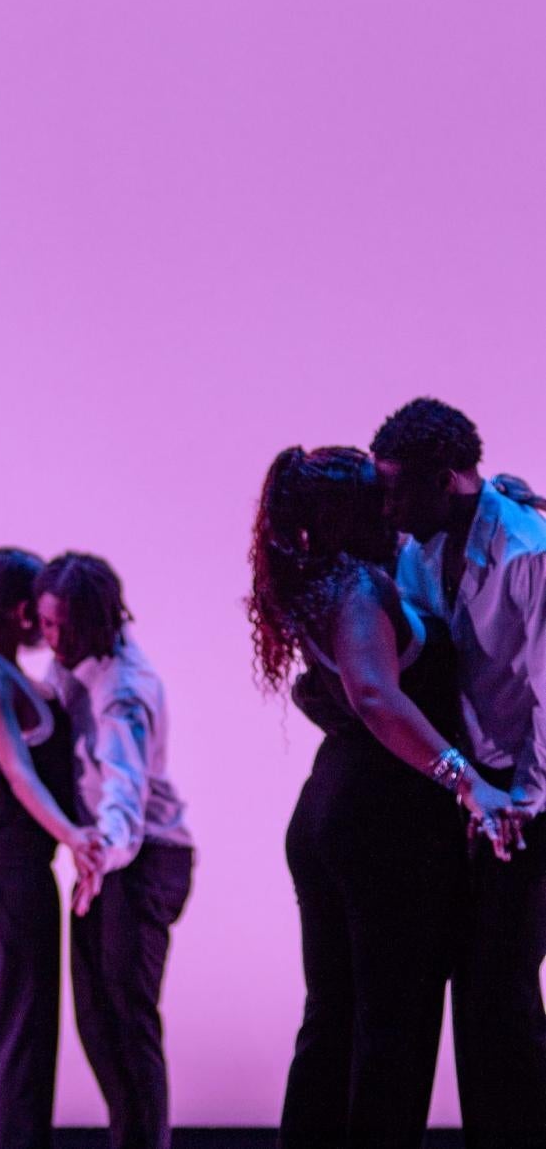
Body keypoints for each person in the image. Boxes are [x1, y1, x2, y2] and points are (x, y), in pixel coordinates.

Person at [249, 444, 517, 1148]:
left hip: (332, 806)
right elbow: (373, 695)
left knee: (333, 1016)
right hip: (381, 821)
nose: (394, 505)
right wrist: (471, 786)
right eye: (381, 495)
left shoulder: (327, 581)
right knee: (390, 1025)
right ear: (354, 513)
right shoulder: (360, 590)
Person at [0, 553, 193, 1149]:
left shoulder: (123, 690)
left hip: (144, 859)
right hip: (110, 863)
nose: (55, 640)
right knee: (99, 1025)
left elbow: (124, 789)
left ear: (104, 621)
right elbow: (36, 728)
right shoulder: (76, 666)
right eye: (46, 625)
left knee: (127, 1024)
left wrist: (98, 852)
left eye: (68, 628)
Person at [372, 398, 546, 1149]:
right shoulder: (417, 546)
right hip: (471, 792)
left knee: (503, 998)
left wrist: (525, 808)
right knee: (473, 997)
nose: (387, 506)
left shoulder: (526, 552)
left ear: (445, 479)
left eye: (397, 488)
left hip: (528, 797)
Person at [0, 548, 102, 1149]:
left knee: (4, 1015)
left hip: (9, 857)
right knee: (19, 1023)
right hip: (8, 860)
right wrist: (74, 835)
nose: (51, 624)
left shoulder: (4, 669)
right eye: (43, 612)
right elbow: (18, 772)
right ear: (19, 611)